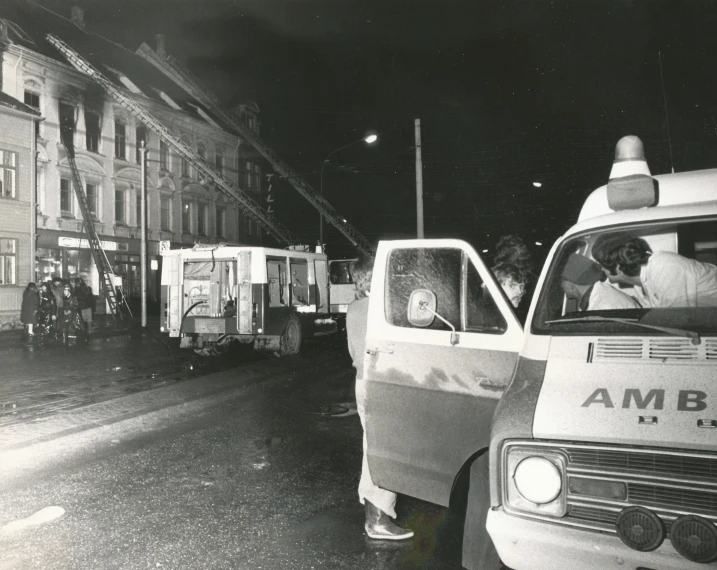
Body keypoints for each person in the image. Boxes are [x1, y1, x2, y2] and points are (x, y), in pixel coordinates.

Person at [346, 255, 414, 541]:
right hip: (379, 386)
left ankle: (374, 511)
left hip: (365, 384)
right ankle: (377, 519)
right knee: (382, 451)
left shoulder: (356, 307)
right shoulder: (377, 311)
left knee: (372, 448)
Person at [593, 234, 717, 307]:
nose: (601, 269)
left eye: (602, 265)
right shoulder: (640, 282)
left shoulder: (666, 268)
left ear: (618, 267)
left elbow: (680, 320)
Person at [560, 253, 641, 311]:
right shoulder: (600, 295)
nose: (561, 285)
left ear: (571, 285)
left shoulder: (603, 306)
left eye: (562, 281)